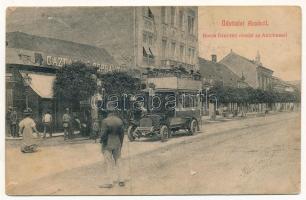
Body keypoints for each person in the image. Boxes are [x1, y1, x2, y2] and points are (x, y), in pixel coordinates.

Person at [99, 110, 125, 188]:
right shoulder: (119, 120)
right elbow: (122, 134)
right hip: (117, 142)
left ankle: (109, 182)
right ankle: (121, 180)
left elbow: (103, 133)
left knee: (108, 163)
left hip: (108, 143)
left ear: (108, 113)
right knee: (118, 161)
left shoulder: (105, 121)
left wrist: (101, 141)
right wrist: (120, 143)